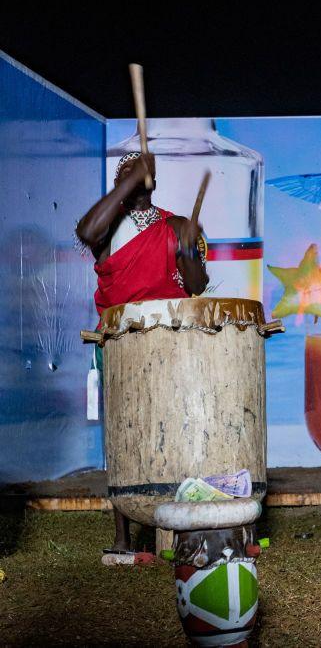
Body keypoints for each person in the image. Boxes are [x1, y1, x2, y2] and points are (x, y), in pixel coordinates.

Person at [75, 152, 209, 557]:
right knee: (122, 427)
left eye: (143, 172)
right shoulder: (106, 224)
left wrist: (187, 250)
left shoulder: (176, 225)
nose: (137, 176)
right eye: (126, 173)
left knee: (176, 422)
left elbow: (197, 285)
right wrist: (127, 181)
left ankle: (183, 521)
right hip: (119, 334)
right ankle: (123, 538)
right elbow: (85, 231)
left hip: (168, 332)